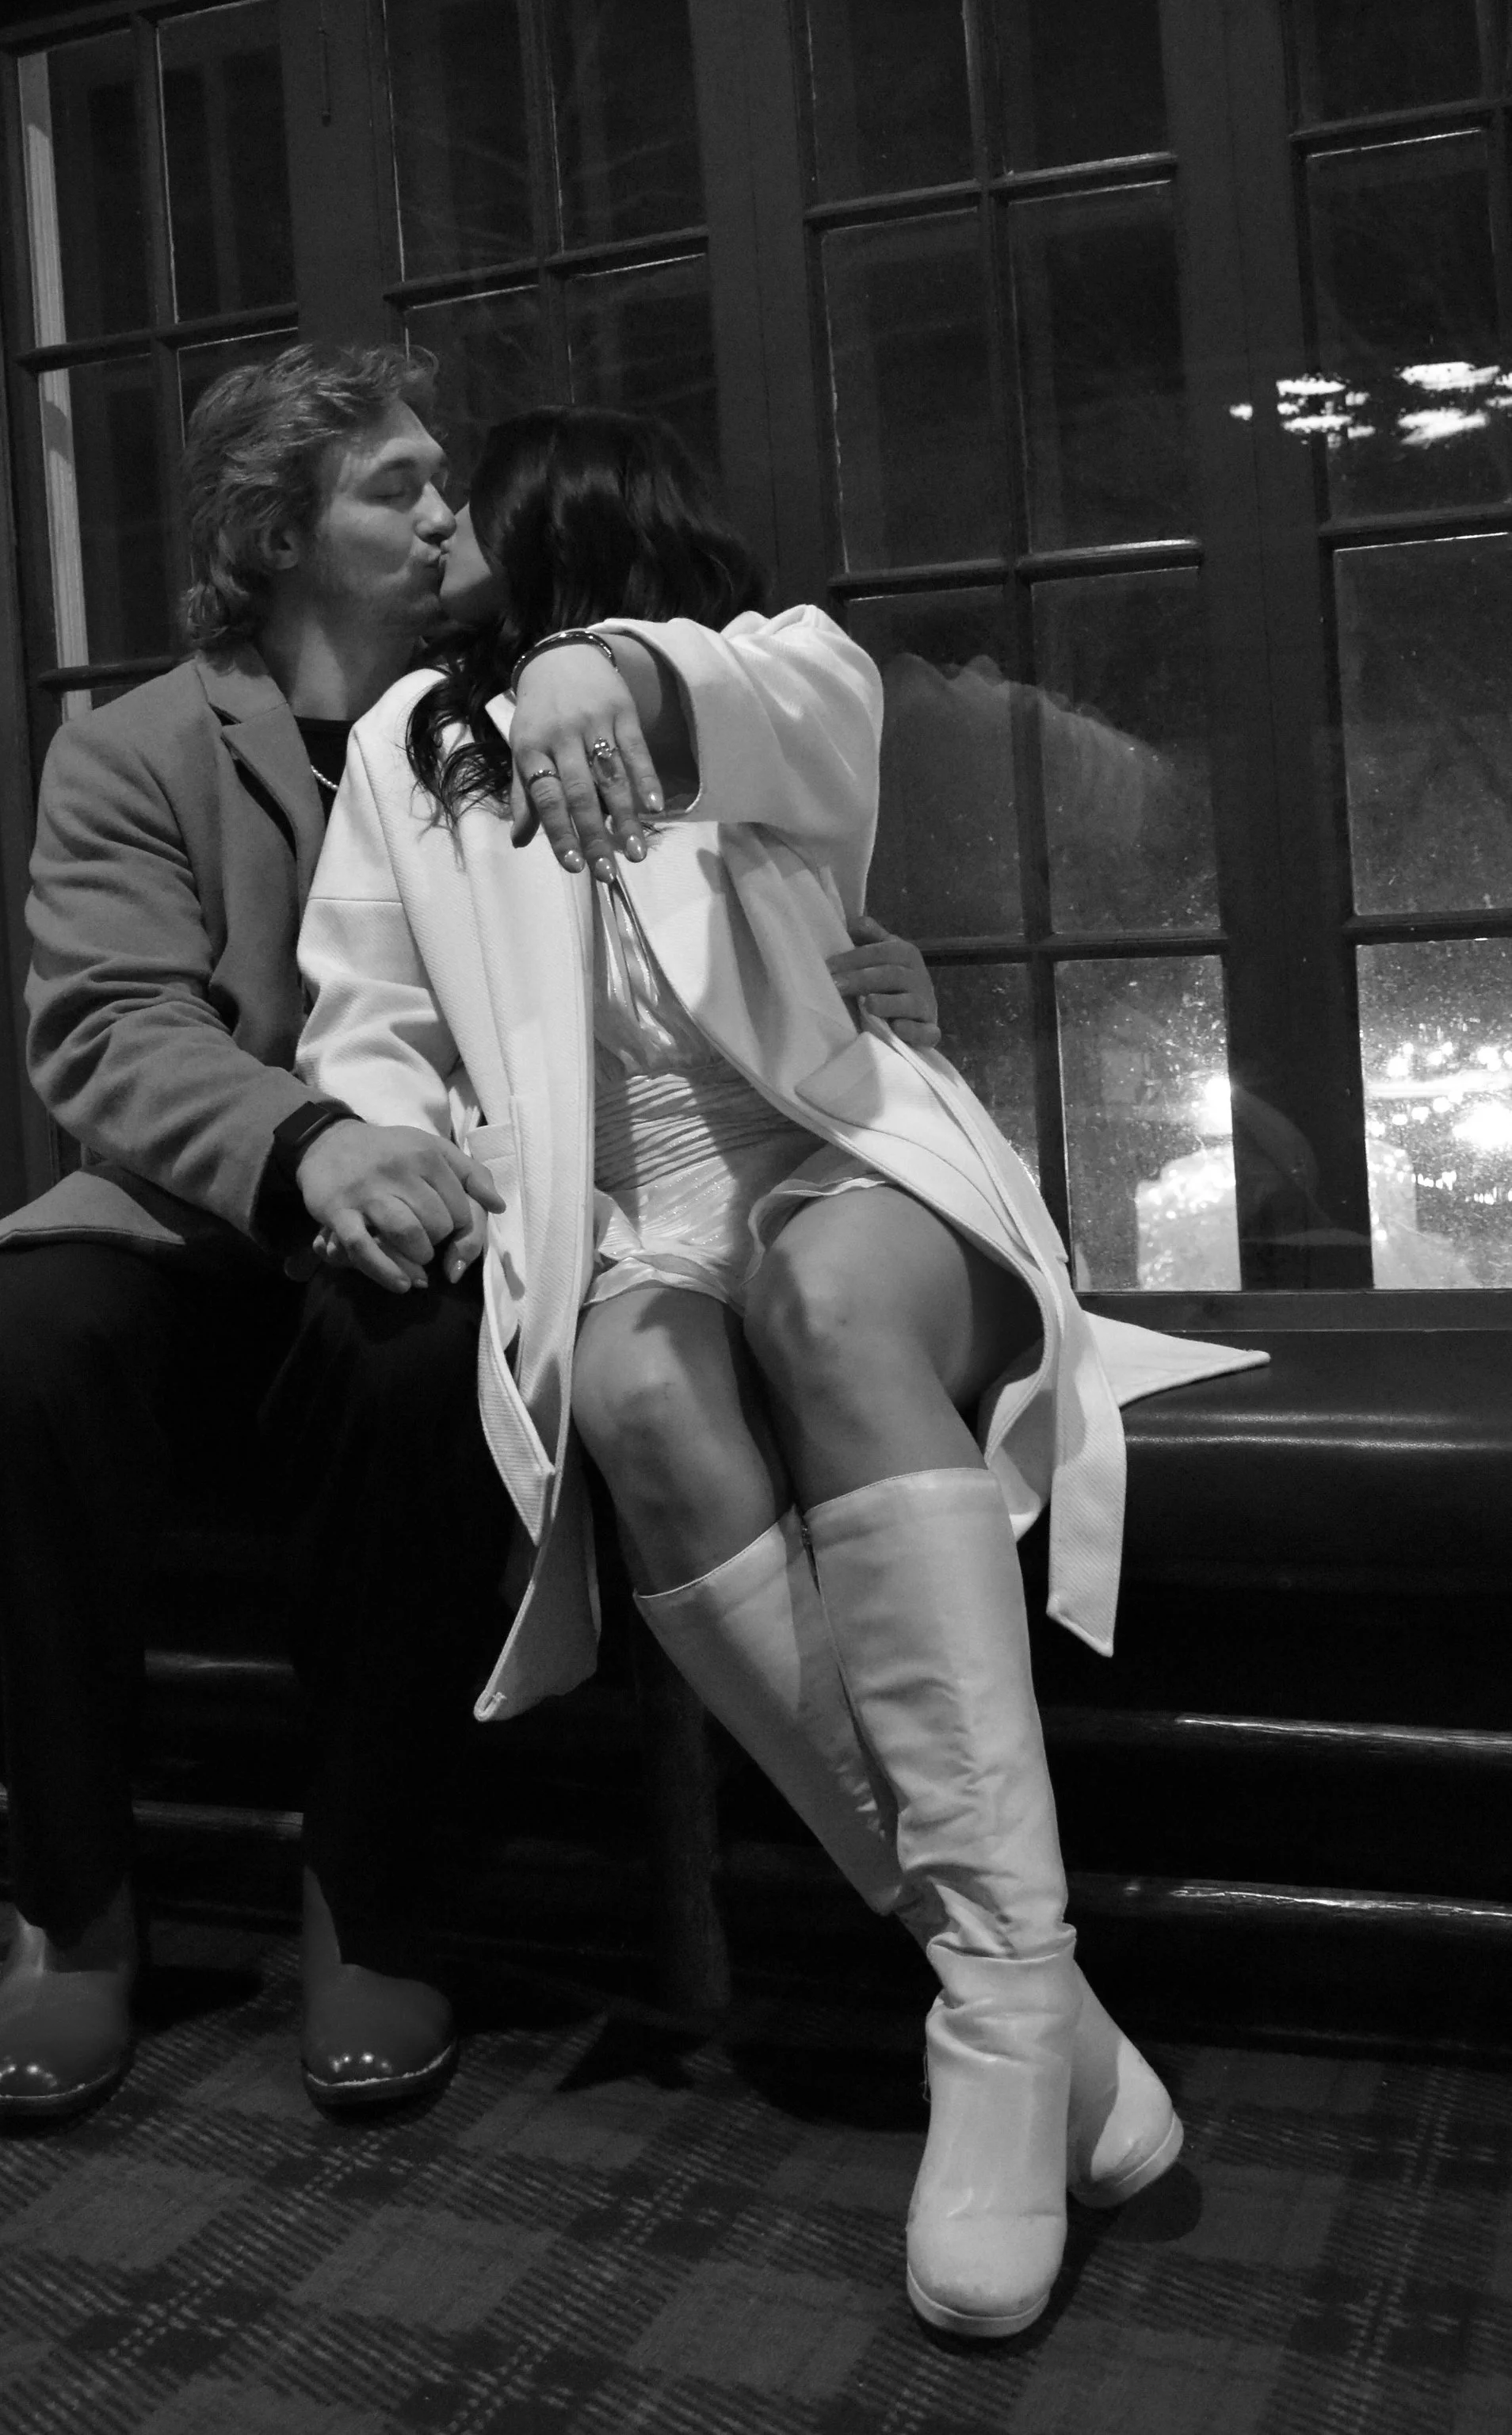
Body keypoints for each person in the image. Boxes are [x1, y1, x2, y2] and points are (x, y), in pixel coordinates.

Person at [292, 408, 1264, 2337]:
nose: (436, 532)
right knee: (633, 1390)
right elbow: (370, 1016)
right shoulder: (413, 750)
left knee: (821, 1304)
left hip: (853, 1164)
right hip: (628, 1222)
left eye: (465, 500)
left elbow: (768, 704)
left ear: (560, 525)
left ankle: (988, 2029)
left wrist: (611, 662)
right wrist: (393, 1139)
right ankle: (1028, 2002)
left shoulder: (778, 667)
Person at [0, 342, 942, 2131]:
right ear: (279, 530)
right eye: (394, 484)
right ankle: (70, 1916)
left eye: (440, 478)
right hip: (196, 1221)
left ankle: (367, 1903)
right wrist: (307, 1140)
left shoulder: (502, 707)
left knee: (418, 1370)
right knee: (18, 1354)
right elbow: (103, 1030)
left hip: (448, 1229)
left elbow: (678, 936)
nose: (443, 509)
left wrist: (848, 991)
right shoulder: (138, 749)